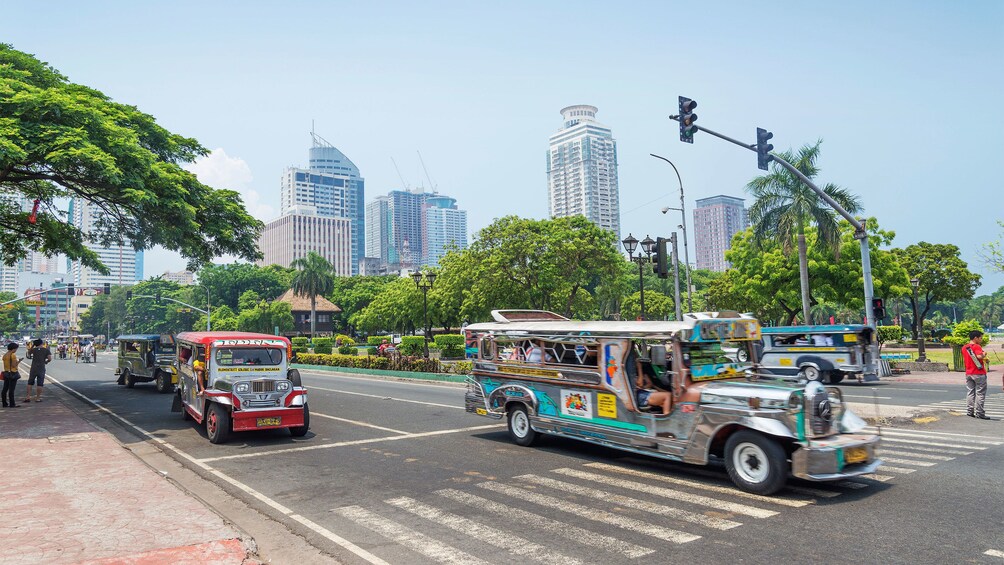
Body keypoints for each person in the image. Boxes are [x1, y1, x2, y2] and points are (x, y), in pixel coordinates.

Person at [962, 330, 990, 419]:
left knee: (970, 392)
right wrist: (984, 353)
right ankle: (980, 413)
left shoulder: (964, 347)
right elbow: (979, 356)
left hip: (969, 373)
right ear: (975, 338)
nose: (981, 339)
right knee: (980, 393)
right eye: (980, 338)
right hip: (978, 373)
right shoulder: (977, 346)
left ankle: (970, 411)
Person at [25, 338, 51, 403]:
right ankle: (37, 398)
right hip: (41, 368)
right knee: (40, 383)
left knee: (30, 382)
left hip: (33, 368)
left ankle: (28, 397)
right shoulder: (46, 350)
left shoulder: (33, 350)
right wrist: (46, 361)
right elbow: (49, 358)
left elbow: (28, 353)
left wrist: (33, 345)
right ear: (41, 343)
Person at [2, 342, 21, 408]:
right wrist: (19, 361)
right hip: (12, 373)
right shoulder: (13, 355)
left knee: (5, 389)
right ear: (13, 348)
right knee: (11, 390)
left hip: (6, 373)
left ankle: (4, 403)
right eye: (16, 349)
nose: (16, 350)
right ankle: (12, 404)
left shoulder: (5, 355)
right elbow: (14, 365)